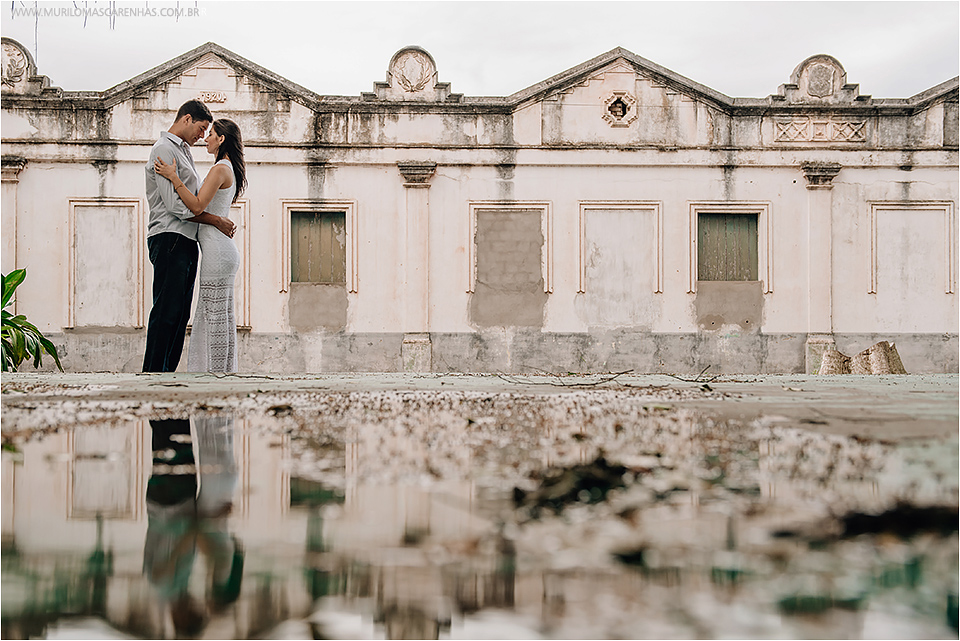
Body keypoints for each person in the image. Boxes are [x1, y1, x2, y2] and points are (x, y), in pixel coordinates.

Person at [142, 100, 236, 373]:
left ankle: (166, 375)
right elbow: (176, 206)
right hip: (169, 235)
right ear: (186, 119)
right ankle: (153, 375)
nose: (202, 135)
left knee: (180, 314)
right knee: (166, 311)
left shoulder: (183, 152)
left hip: (186, 239)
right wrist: (215, 220)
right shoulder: (164, 149)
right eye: (201, 128)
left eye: (208, 130)